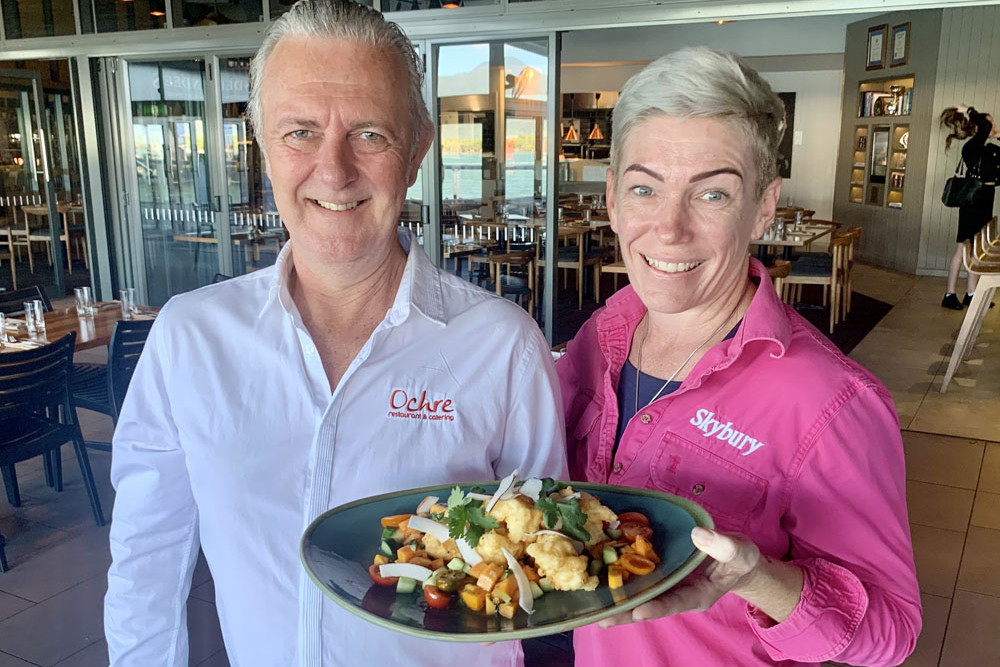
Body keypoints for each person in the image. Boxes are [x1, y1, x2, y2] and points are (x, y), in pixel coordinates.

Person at [103, 2, 567, 666]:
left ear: (416, 152)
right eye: (299, 131)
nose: (333, 169)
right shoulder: (189, 337)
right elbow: (146, 564)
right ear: (263, 147)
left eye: (370, 134)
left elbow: (544, 583)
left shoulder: (503, 347)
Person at [557, 47, 921, 667]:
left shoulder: (828, 399)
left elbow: (891, 633)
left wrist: (759, 578)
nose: (670, 229)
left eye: (713, 195)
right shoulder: (603, 333)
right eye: (646, 187)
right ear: (613, 197)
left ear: (763, 206)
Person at [939, 105, 1000, 309]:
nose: (992, 126)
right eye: (989, 124)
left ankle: (971, 294)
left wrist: (998, 134)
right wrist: (970, 110)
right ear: (979, 127)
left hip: (985, 200)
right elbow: (983, 125)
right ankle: (949, 294)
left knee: (977, 251)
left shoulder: (990, 149)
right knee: (962, 249)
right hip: (972, 203)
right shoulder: (971, 147)